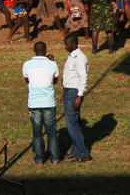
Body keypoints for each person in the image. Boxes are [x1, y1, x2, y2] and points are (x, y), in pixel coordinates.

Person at [22, 41, 60, 166]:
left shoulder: (27, 65)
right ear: (46, 50)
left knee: (37, 131)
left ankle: (39, 158)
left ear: (34, 50)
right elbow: (55, 81)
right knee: (52, 131)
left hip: (34, 103)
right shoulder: (52, 64)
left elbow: (27, 80)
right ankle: (54, 158)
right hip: (49, 102)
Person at [62, 34, 91, 163]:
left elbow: (83, 77)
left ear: (74, 44)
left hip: (74, 93)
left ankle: (84, 153)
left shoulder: (79, 58)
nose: (65, 46)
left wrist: (79, 96)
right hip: (68, 92)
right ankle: (75, 151)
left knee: (71, 124)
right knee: (75, 122)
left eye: (67, 44)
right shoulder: (71, 56)